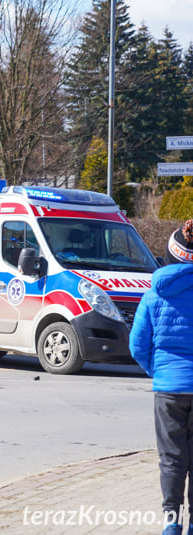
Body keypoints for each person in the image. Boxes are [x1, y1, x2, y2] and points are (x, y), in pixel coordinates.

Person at [130, 220, 193, 535]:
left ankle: (172, 524)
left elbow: (137, 345)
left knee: (172, 459)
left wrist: (159, 372)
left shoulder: (154, 294)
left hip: (169, 390)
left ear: (171, 255)